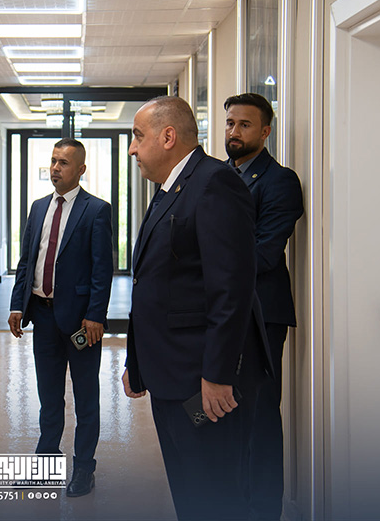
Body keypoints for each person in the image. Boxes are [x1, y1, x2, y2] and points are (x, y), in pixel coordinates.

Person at [122, 96, 271, 520]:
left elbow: (232, 289)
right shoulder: (171, 188)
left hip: (204, 383)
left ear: (168, 137)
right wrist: (137, 360)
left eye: (138, 137)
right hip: (170, 374)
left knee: (213, 494)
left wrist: (218, 375)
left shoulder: (215, 184)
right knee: (189, 491)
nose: (132, 148)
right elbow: (153, 283)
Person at [8, 138, 113, 497]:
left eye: (64, 163)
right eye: (53, 161)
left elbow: (102, 269)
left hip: (81, 324)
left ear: (81, 169)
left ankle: (83, 468)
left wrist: (96, 315)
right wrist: (17, 305)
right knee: (49, 397)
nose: (55, 168)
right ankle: (45, 464)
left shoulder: (96, 210)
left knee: (86, 398)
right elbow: (27, 261)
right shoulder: (38, 207)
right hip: (43, 318)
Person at [223, 92, 304, 520]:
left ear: (266, 131)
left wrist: (207, 268)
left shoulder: (279, 181)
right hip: (220, 312)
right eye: (230, 123)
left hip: (260, 314)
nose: (234, 132)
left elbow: (265, 253)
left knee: (259, 416)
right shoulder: (218, 175)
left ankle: (264, 510)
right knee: (223, 412)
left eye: (245, 124)